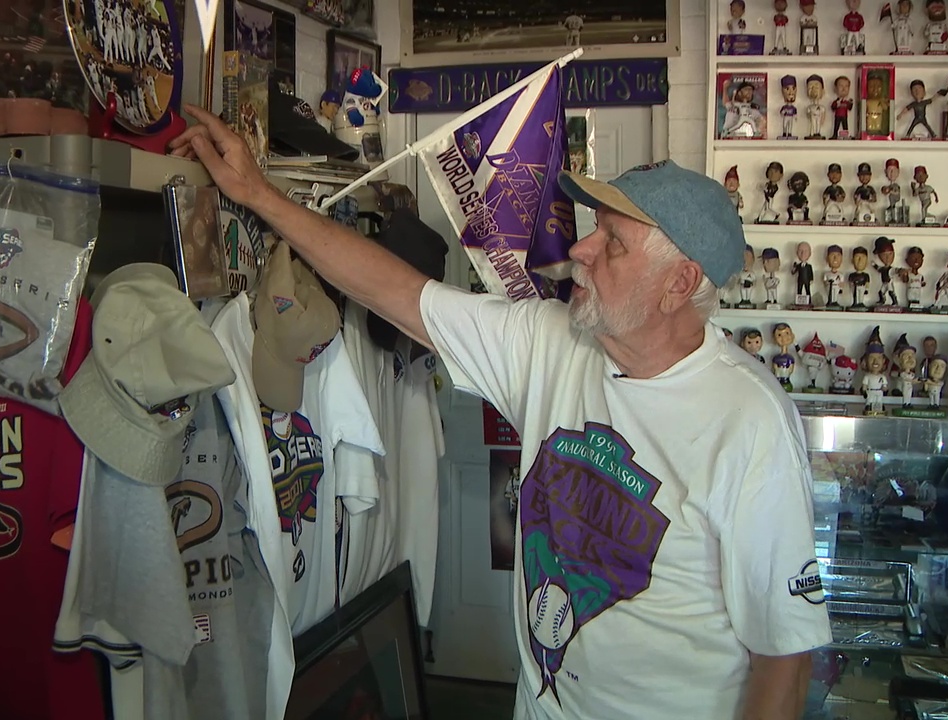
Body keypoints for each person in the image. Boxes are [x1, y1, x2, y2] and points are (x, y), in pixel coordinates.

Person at [170, 105, 831, 720]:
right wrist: (257, 194)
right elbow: (394, 290)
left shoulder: (748, 422)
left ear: (678, 285)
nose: (580, 250)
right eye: (594, 231)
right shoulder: (551, 342)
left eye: (614, 243)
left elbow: (783, 656)